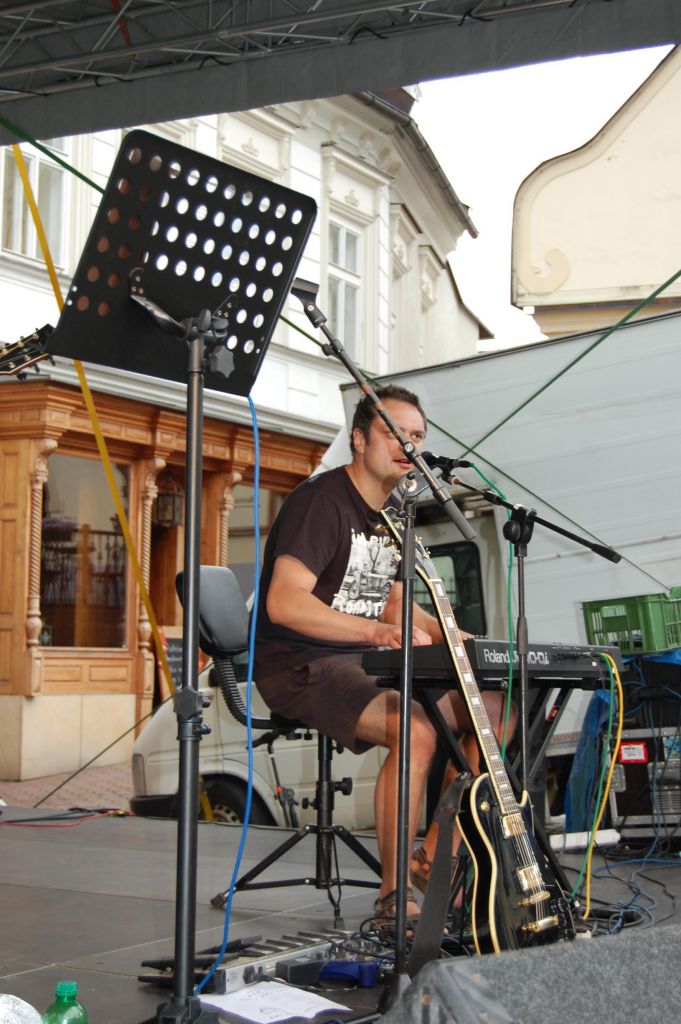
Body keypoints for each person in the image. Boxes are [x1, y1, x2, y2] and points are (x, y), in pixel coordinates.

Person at [254, 384, 514, 928]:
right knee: (417, 731)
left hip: (363, 660)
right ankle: (393, 896)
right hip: (301, 663)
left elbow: (395, 603)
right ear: (359, 439)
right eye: (395, 433)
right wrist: (373, 633)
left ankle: (431, 857)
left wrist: (454, 636)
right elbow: (283, 602)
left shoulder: (396, 512)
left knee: (495, 713)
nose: (408, 444)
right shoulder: (320, 502)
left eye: (417, 436)